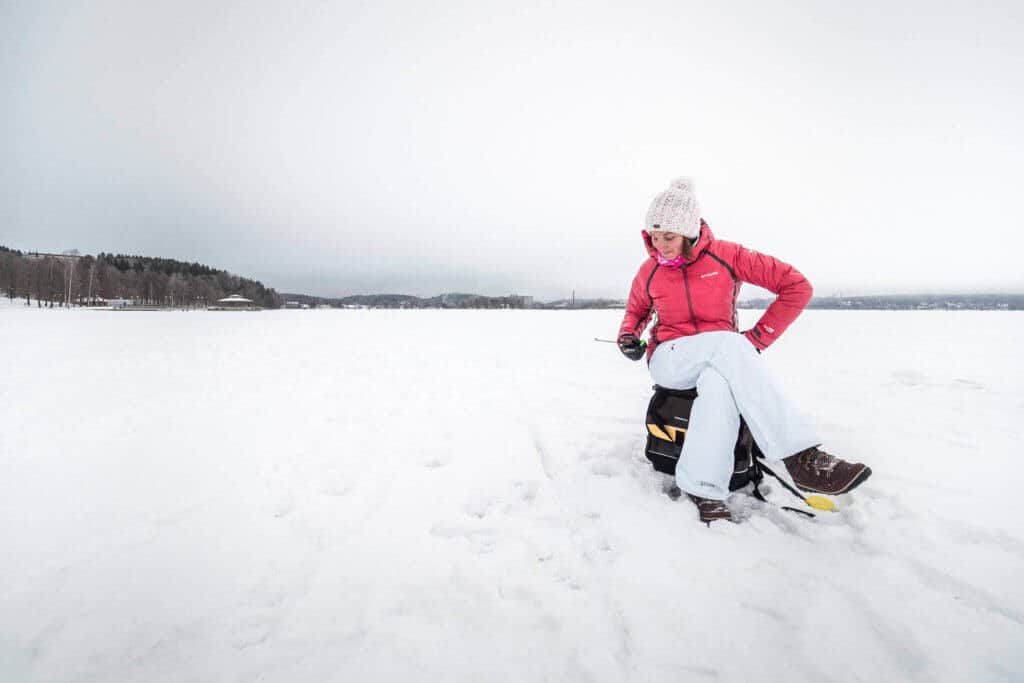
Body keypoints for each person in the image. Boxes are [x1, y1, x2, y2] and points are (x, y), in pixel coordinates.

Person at [617, 178, 871, 523]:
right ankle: (799, 456)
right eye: (654, 237)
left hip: (721, 358)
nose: (660, 246)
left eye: (669, 237)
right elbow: (636, 312)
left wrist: (759, 338)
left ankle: (704, 488)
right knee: (730, 346)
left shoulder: (728, 256)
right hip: (670, 357)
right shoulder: (648, 271)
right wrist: (629, 336)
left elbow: (796, 286)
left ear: (690, 231)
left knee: (718, 384)